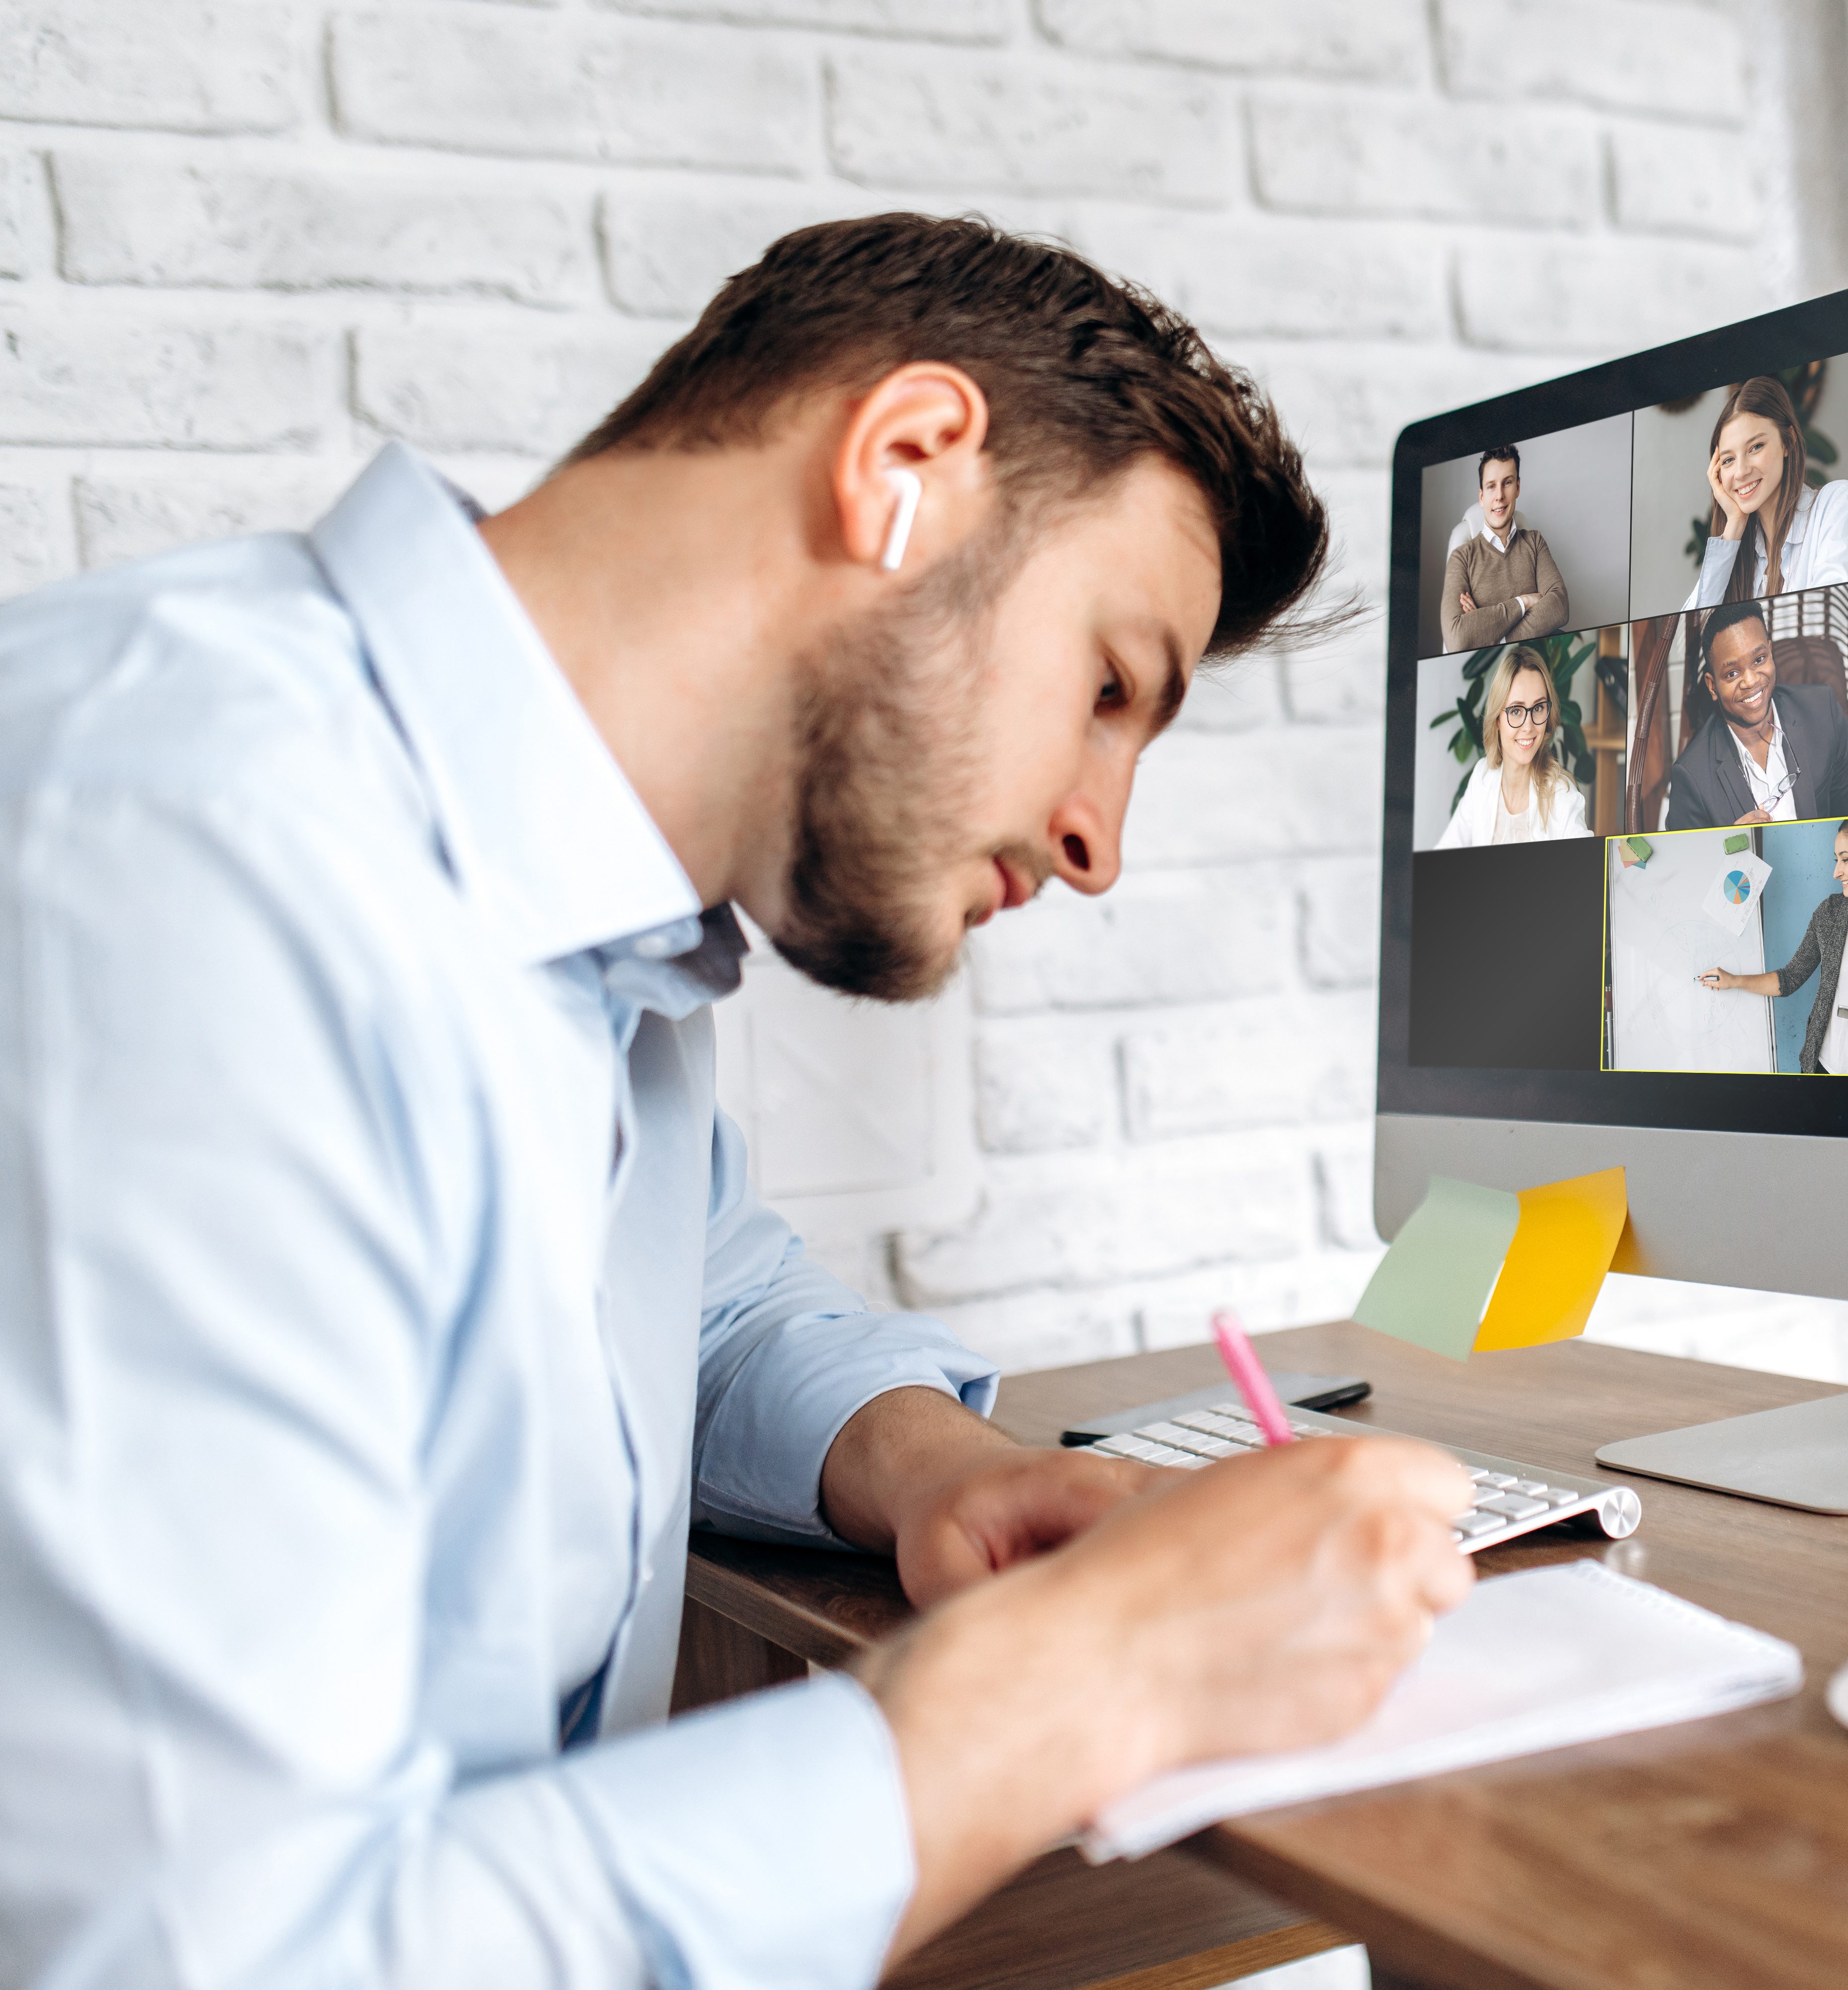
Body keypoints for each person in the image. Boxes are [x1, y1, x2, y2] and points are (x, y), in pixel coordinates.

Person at [0, 215, 1481, 1988]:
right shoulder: (180, 852)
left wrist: (932, 1459)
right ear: (907, 464)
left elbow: (684, 1293)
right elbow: (213, 1949)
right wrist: (1086, 1680)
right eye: (1106, 684)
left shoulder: (582, 930)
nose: (1098, 840)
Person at [1698, 815, 1848, 1075]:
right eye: (1837, 860)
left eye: (1845, 859)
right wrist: (1734, 980)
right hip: (1821, 1071)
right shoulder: (1830, 914)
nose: (1836, 872)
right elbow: (1791, 977)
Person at [1664, 598, 1848, 831]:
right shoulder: (1691, 777)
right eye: (1732, 673)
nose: (1750, 681)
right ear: (1712, 687)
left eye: (1759, 660)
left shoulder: (1823, 712)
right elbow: (1688, 865)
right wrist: (1728, 846)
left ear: (1771, 653)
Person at [1680, 375, 1848, 610]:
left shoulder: (1838, 502)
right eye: (1729, 460)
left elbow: (1832, 614)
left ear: (1787, 441)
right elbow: (1694, 635)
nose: (1741, 472)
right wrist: (1733, 525)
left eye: (1756, 447)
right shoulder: (1746, 553)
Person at [1436, 645, 1593, 847]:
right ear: (1497, 720)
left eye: (1538, 708)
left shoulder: (1563, 796)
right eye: (1516, 711)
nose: (1528, 727)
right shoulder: (1482, 776)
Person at [1440, 443, 1568, 652]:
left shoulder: (1535, 542)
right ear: (1482, 497)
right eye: (1491, 486)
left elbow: (1560, 606)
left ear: (1518, 488)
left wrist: (1492, 634)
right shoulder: (1462, 557)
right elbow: (1457, 639)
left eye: (1507, 483)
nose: (1499, 495)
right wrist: (1524, 602)